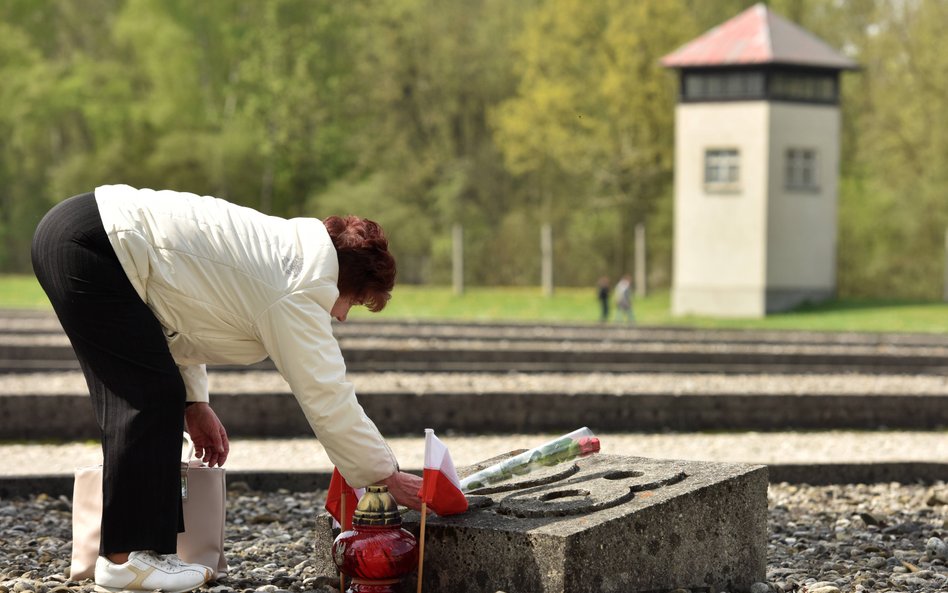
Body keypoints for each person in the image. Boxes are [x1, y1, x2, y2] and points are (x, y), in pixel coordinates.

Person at [31, 185, 424, 593]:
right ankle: (128, 558)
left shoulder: (284, 253)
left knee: (154, 391)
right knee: (147, 397)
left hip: (82, 233)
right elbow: (327, 395)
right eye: (353, 303)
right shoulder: (299, 285)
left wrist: (195, 401)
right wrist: (385, 475)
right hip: (95, 244)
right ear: (345, 279)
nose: (341, 317)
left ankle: (136, 555)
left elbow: (179, 316)